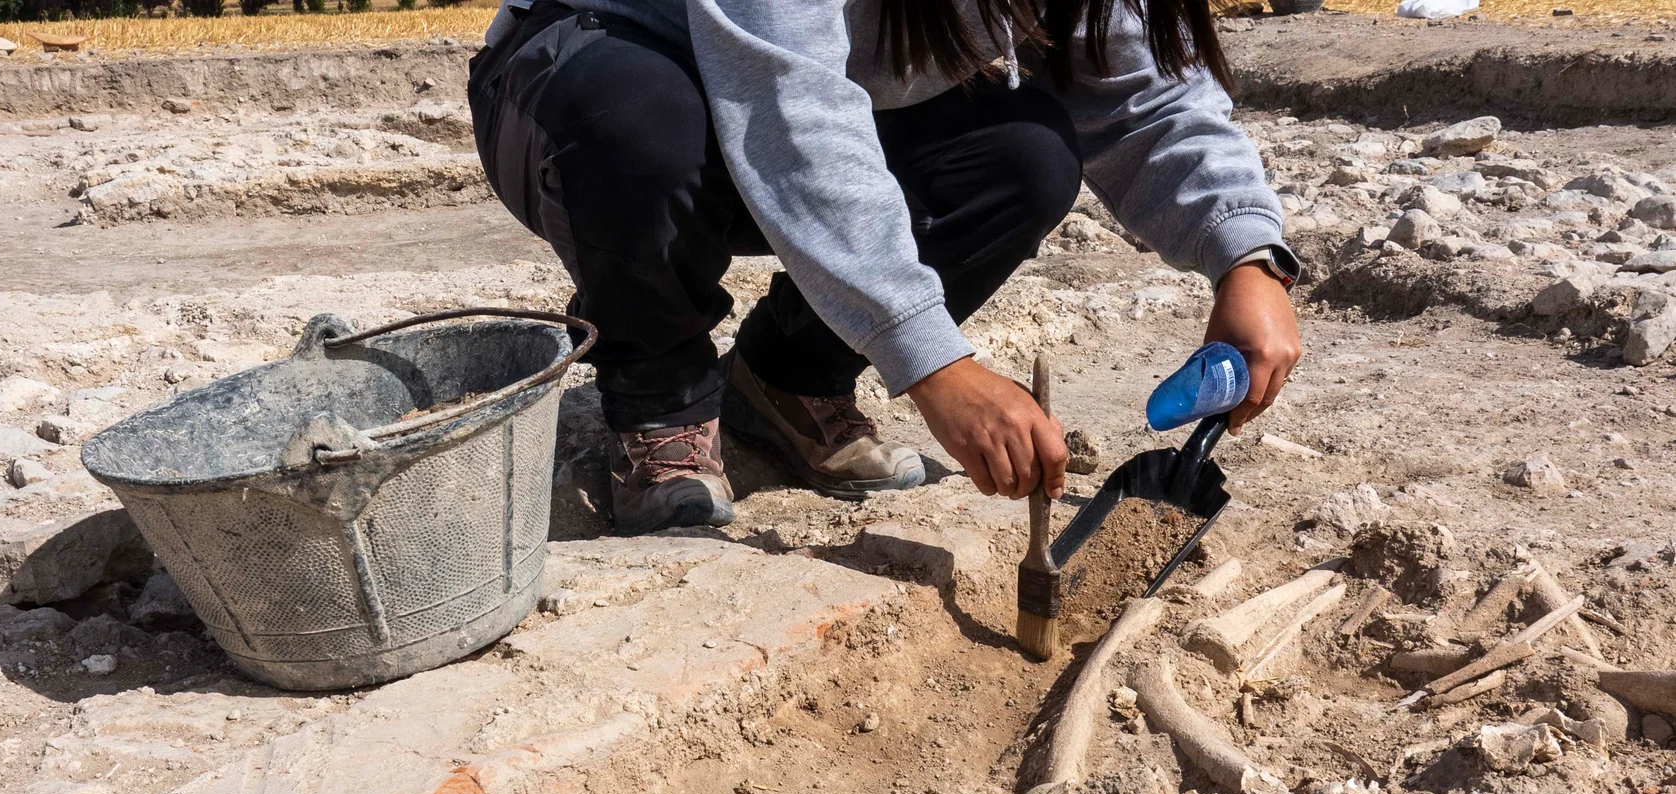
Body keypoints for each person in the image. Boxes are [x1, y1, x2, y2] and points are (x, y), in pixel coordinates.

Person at [467, 0, 1302, 534]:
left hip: (782, 110)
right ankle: (660, 400)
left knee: (1027, 153)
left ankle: (789, 378)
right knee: (642, 124)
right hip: (581, 82)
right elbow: (786, 109)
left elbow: (1142, 100)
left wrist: (1248, 258)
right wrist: (933, 361)